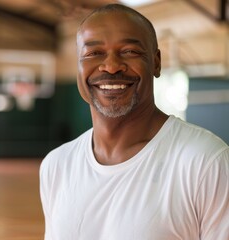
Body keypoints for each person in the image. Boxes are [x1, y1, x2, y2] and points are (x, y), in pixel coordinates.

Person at [39, 3, 229, 240]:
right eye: (93, 53)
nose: (111, 66)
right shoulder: (56, 165)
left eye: (129, 51)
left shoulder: (205, 162)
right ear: (77, 66)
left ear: (156, 62)